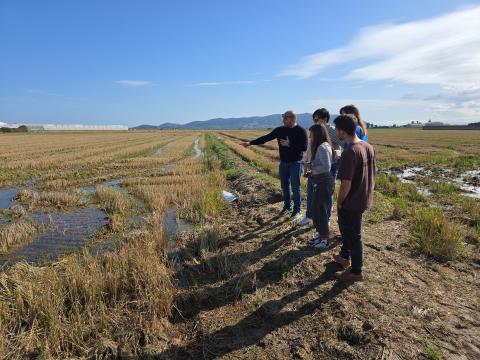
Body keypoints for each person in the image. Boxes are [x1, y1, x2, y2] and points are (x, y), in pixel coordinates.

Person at [332, 114, 376, 282]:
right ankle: (345, 259)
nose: (336, 132)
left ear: (342, 131)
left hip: (351, 202)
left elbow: (346, 184)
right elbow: (373, 174)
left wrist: (340, 201)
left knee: (353, 236)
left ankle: (356, 271)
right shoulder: (367, 146)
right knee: (352, 233)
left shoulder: (350, 152)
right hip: (364, 198)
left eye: (336, 129)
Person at [240, 110, 307, 221]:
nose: (283, 119)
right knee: (285, 186)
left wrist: (290, 144)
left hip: (296, 163)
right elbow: (265, 138)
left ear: (292, 118)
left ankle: (297, 210)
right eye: (283, 117)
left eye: (285, 117)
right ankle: (287, 206)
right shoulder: (279, 130)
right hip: (284, 163)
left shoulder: (300, 131)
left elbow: (304, 147)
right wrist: (250, 143)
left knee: (295, 187)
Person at [299, 108, 343, 226]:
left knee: (326, 193)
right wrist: (306, 164)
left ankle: (327, 217)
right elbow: (310, 148)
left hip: (330, 166)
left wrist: (334, 153)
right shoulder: (315, 131)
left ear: (325, 119)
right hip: (314, 166)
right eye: (313, 119)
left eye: (316, 119)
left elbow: (344, 145)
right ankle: (309, 216)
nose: (314, 121)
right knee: (311, 191)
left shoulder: (332, 131)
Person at [304, 124, 334, 250]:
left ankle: (324, 240)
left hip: (324, 182)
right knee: (316, 211)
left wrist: (311, 166)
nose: (310, 137)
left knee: (321, 212)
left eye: (311, 134)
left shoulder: (322, 147)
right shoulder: (321, 146)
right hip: (320, 181)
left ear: (317, 134)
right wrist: (311, 170)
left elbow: (326, 168)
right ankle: (320, 236)